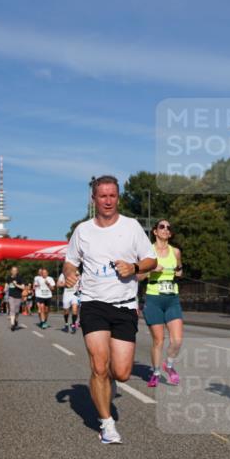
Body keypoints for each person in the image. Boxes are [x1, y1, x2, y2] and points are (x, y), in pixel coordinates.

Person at [63, 175, 157, 444]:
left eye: (112, 195)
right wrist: (70, 274)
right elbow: (70, 262)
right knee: (99, 366)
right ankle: (107, 423)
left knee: (123, 372)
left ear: (118, 197)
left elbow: (151, 259)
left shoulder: (131, 227)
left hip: (125, 305)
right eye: (102, 196)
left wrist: (135, 267)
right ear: (94, 199)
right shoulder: (83, 231)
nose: (107, 200)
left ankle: (108, 385)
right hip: (93, 304)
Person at [138, 219, 184, 387]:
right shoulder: (147, 252)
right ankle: (156, 373)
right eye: (162, 227)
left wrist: (178, 271)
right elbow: (138, 277)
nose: (165, 229)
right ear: (155, 231)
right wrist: (150, 269)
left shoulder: (176, 252)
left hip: (172, 299)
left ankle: (169, 365)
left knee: (177, 340)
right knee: (159, 340)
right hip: (153, 298)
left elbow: (180, 270)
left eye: (168, 228)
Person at [6, 266, 26, 332]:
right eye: (13, 270)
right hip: (11, 296)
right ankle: (12, 324)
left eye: (15, 271)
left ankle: (16, 320)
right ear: (11, 271)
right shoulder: (8, 278)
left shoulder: (20, 278)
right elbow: (6, 285)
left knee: (17, 311)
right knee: (12, 309)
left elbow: (23, 287)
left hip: (18, 296)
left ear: (17, 271)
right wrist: (5, 288)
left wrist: (16, 284)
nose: (14, 272)